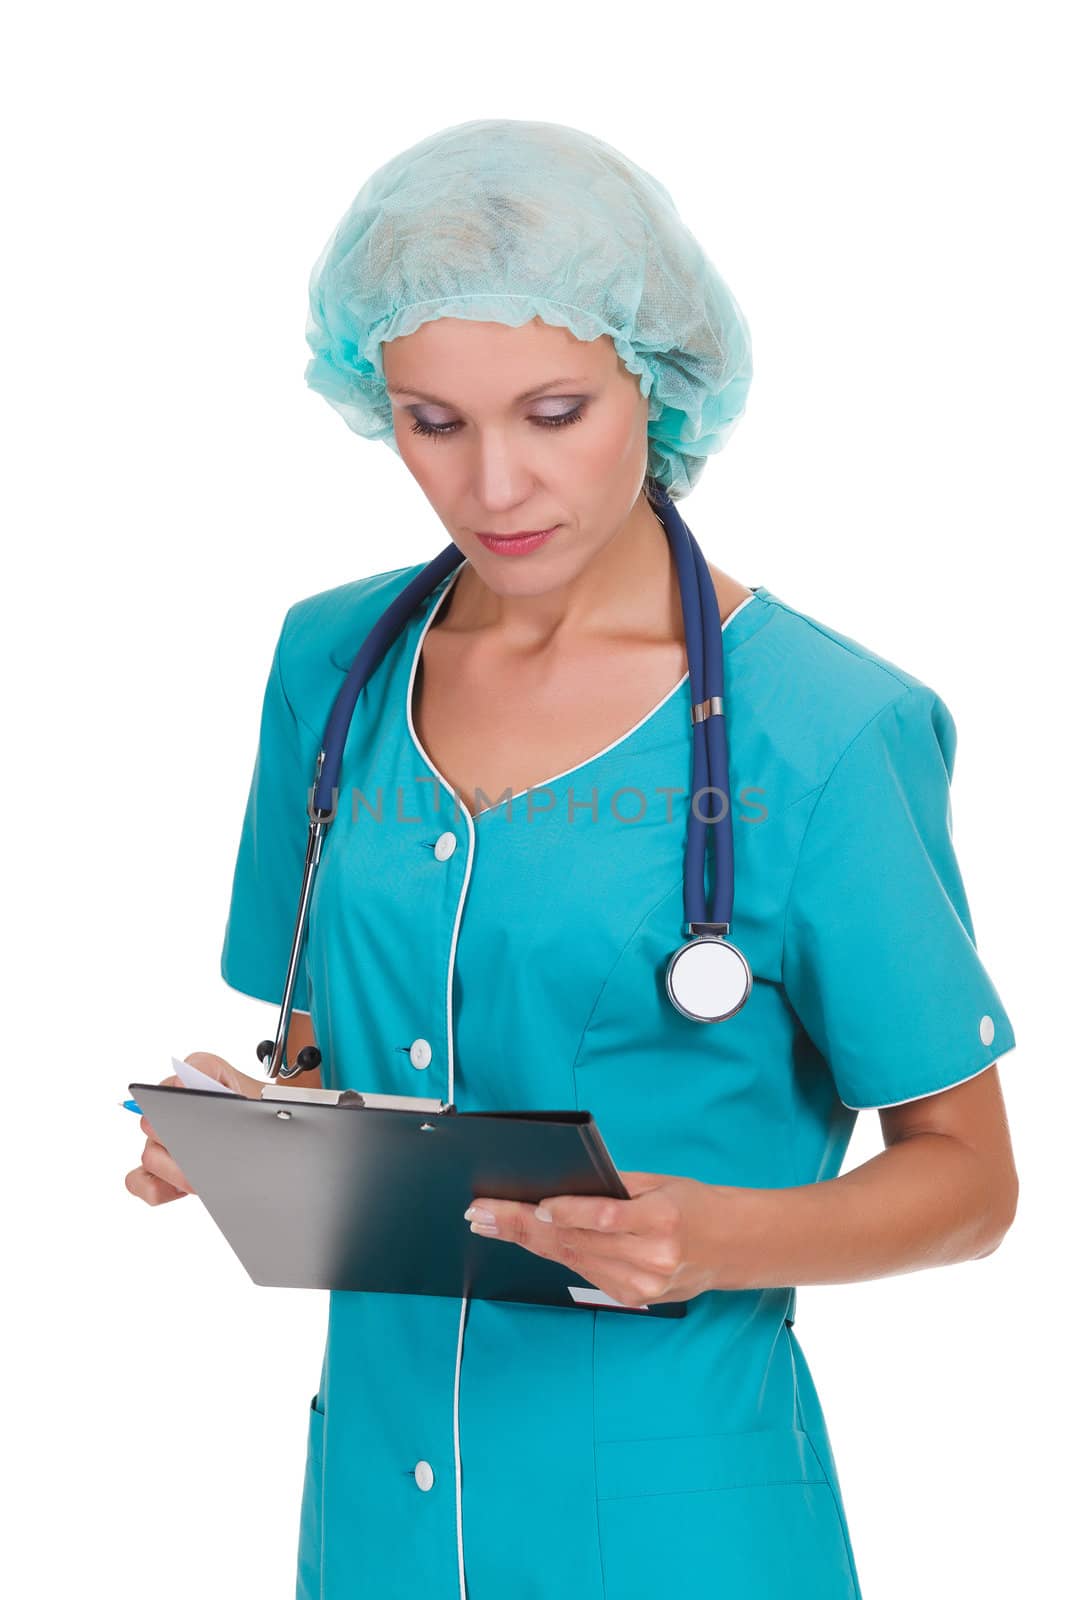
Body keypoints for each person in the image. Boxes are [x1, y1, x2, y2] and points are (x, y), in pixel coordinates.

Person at [125, 119, 1021, 1600]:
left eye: (552, 412)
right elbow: (320, 1044)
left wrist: (721, 1236)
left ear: (653, 389)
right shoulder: (331, 663)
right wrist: (248, 1138)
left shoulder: (829, 731)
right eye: (432, 421)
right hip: (377, 1507)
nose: (492, 487)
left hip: (677, 1520)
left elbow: (970, 1185)